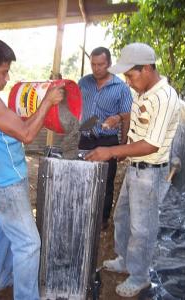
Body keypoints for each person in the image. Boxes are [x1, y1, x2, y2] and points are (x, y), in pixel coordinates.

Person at [85, 42, 180, 297]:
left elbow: (151, 144)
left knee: (143, 228)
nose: (127, 81)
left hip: (150, 172)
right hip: (135, 169)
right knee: (122, 216)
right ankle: (125, 259)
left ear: (147, 68)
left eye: (130, 75)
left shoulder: (165, 97)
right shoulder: (142, 91)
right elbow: (138, 122)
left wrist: (111, 151)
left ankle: (139, 276)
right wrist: (118, 119)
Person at [0, 39, 64, 300]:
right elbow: (25, 133)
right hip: (8, 182)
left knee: (5, 229)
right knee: (28, 244)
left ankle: (0, 279)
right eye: (3, 72)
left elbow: (13, 123)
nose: (7, 78)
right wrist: (46, 101)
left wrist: (39, 100)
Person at [78, 47, 133, 229]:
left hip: (108, 140)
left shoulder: (122, 88)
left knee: (106, 181)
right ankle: (83, 213)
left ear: (109, 64)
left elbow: (126, 118)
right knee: (82, 177)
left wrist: (123, 145)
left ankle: (102, 219)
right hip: (85, 138)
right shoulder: (83, 83)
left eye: (100, 64)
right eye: (93, 64)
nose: (96, 68)